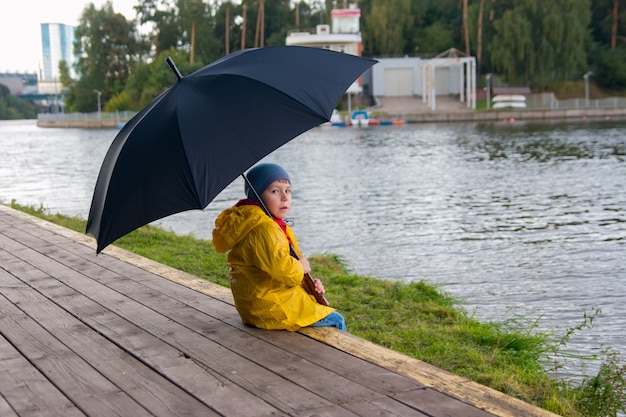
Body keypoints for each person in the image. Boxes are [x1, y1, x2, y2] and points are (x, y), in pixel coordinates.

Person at [212, 162, 346, 332]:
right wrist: (300, 268)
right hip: (267, 306)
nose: (284, 197)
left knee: (314, 304)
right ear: (257, 196)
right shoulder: (264, 229)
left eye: (288, 190)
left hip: (262, 299)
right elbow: (282, 270)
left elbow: (282, 268)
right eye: (275, 191)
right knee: (336, 320)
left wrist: (309, 285)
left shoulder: (267, 224)